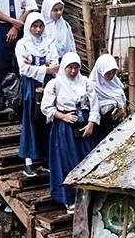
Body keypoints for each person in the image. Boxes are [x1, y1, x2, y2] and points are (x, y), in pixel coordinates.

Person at [41, 51, 98, 211]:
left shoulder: (86, 82)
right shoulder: (55, 84)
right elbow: (45, 107)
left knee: (86, 160)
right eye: (70, 68)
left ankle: (89, 197)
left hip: (84, 126)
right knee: (67, 162)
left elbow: (94, 104)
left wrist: (91, 123)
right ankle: (69, 198)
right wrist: (63, 116)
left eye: (76, 68)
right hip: (64, 130)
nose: (73, 71)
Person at [17, 14, 59, 179]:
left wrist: (38, 68)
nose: (38, 30)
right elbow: (23, 69)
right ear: (28, 27)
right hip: (31, 87)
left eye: (41, 26)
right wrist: (45, 70)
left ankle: (45, 158)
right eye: (34, 26)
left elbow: (55, 63)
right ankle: (28, 160)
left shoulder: (48, 42)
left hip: (48, 85)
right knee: (31, 119)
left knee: (46, 119)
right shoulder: (22, 45)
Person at [90, 54, 127, 143]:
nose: (111, 75)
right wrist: (113, 104)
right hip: (102, 125)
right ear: (100, 71)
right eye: (108, 72)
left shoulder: (115, 82)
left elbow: (122, 100)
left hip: (117, 122)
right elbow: (96, 107)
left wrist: (121, 108)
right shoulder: (92, 86)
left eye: (114, 71)